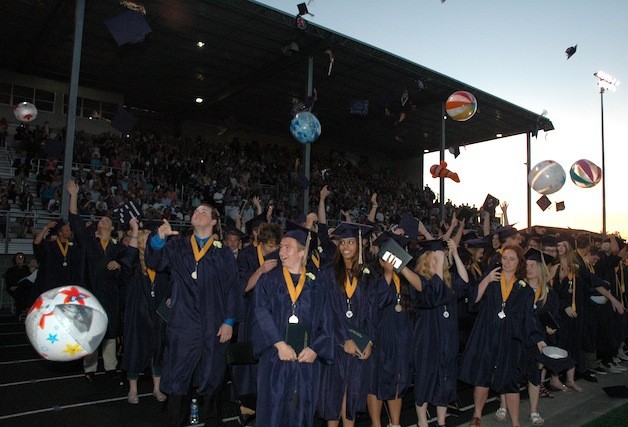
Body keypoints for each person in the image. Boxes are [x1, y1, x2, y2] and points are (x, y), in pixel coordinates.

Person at [146, 204, 241, 427]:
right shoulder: (177, 246)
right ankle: (175, 421)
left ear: (214, 221)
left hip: (214, 323)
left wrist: (229, 321)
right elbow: (155, 262)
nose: (198, 214)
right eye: (195, 211)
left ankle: (211, 421)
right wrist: (158, 240)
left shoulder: (223, 252)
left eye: (204, 212)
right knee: (178, 375)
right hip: (183, 323)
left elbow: (233, 288)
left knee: (212, 375)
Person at [251, 228, 333, 426]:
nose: (281, 252)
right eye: (281, 247)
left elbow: (327, 322)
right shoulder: (269, 280)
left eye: (288, 247)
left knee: (301, 411)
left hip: (306, 361)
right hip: (275, 359)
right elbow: (261, 313)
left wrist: (315, 349)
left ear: (302, 252)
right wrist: (279, 344)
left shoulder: (317, 284)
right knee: (273, 411)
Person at [459, 245, 546, 427]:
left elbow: (529, 318)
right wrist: (486, 279)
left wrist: (538, 339)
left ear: (519, 262)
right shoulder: (491, 282)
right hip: (488, 336)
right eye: (504, 258)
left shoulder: (525, 290)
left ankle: (515, 423)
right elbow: (473, 302)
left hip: (510, 339)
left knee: (510, 380)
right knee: (482, 377)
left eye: (512, 259)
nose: (507, 262)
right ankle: (477, 415)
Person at [317, 222, 390, 427]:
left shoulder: (368, 276)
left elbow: (372, 314)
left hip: (358, 343)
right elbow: (325, 311)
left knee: (352, 392)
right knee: (334, 393)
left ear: (359, 245)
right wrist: (344, 340)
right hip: (335, 342)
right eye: (342, 242)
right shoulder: (327, 273)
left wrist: (368, 342)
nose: (346, 246)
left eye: (350, 242)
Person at [68, 180, 127, 381]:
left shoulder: (117, 249)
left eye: (106, 221)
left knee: (110, 332)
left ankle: (111, 367)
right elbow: (75, 220)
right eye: (101, 220)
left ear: (111, 228)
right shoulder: (88, 242)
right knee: (91, 331)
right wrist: (74, 195)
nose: (102, 221)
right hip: (90, 292)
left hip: (110, 294)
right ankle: (90, 368)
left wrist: (119, 265)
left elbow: (127, 267)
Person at [412, 239, 469, 427]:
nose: (439, 262)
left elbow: (465, 282)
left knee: (445, 377)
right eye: (434, 258)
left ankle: (442, 421)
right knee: (425, 377)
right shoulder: (420, 282)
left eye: (441, 258)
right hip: (428, 338)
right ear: (426, 260)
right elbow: (435, 294)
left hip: (447, 338)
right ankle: (422, 421)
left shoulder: (448, 281)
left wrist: (455, 255)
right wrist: (438, 268)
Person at [367, 232, 416, 427]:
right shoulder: (370, 273)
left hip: (402, 333)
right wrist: (388, 273)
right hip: (381, 333)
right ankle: (376, 424)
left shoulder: (404, 274)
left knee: (398, 378)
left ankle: (395, 423)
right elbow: (375, 302)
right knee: (377, 379)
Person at [120, 221, 170, 405]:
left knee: (158, 348)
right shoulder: (133, 267)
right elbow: (128, 259)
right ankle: (133, 389)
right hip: (137, 313)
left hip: (158, 312)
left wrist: (170, 299)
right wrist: (134, 231)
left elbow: (172, 283)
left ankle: (157, 388)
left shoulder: (161, 265)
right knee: (134, 349)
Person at [33, 220, 83, 294]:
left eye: (69, 229)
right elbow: (37, 242)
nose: (69, 231)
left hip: (68, 284)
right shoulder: (51, 246)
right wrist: (46, 227)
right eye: (66, 230)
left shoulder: (73, 246)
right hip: (52, 284)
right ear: (60, 233)